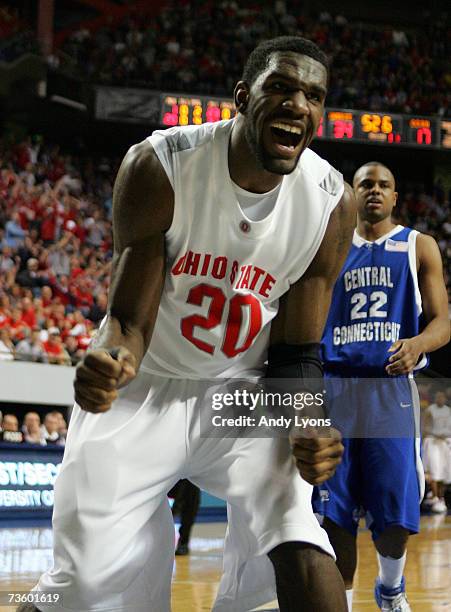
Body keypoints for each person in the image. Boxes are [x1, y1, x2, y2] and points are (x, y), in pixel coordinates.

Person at [24, 36, 356, 612]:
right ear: (241, 97)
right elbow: (127, 319)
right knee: (79, 588)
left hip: (243, 391)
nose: (297, 104)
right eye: (279, 87)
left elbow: (298, 351)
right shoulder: (162, 166)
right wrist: (108, 361)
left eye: (313, 95)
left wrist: (308, 420)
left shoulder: (331, 203)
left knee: (302, 547)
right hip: (147, 385)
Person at [313, 162, 450, 611]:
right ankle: (344, 601)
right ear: (352, 195)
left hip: (390, 394)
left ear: (395, 197)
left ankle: (390, 589)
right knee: (334, 515)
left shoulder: (418, 246)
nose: (374, 190)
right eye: (365, 184)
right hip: (335, 390)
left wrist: (417, 344)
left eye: (383, 185)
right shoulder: (328, 246)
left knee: (394, 515)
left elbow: (443, 321)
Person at [422, 390, 451, 513]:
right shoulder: (430, 410)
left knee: (445, 472)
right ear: (435, 398)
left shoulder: (448, 410)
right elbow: (425, 427)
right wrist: (435, 435)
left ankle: (441, 498)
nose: (440, 399)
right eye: (438, 397)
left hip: (444, 443)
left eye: (442, 397)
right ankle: (434, 496)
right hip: (433, 442)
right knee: (434, 470)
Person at [169, 479, 201, 555]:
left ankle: (183, 543)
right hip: (168, 481)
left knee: (191, 487)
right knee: (190, 486)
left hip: (186, 484)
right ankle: (176, 508)